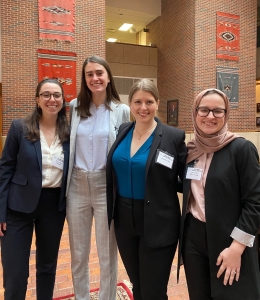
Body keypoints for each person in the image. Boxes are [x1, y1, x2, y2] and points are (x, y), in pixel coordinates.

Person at [106, 78, 187, 300]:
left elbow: (185, 178)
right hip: (124, 220)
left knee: (154, 290)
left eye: (149, 102)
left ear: (158, 103)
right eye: (138, 102)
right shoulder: (123, 130)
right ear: (130, 104)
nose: (143, 108)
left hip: (158, 220)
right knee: (138, 284)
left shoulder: (173, 137)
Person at [177, 88, 260, 300]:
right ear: (195, 113)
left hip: (230, 238)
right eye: (204, 110)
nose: (210, 116)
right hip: (193, 237)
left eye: (218, 111)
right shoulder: (191, 151)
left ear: (226, 113)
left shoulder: (241, 149)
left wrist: (237, 248)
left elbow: (255, 202)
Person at [66, 55, 130, 300]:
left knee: (107, 252)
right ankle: (81, 296)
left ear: (108, 76)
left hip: (106, 185)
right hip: (77, 185)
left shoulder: (122, 110)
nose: (95, 78)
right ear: (84, 79)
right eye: (89, 74)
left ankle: (107, 297)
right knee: (78, 252)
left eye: (99, 73)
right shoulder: (73, 107)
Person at [0, 78, 70, 300]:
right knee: (15, 274)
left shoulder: (69, 132)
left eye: (57, 95)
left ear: (62, 100)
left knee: (47, 268)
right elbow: (5, 169)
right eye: (46, 95)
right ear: (38, 100)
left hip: (53, 205)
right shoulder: (19, 128)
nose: (52, 99)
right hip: (18, 206)